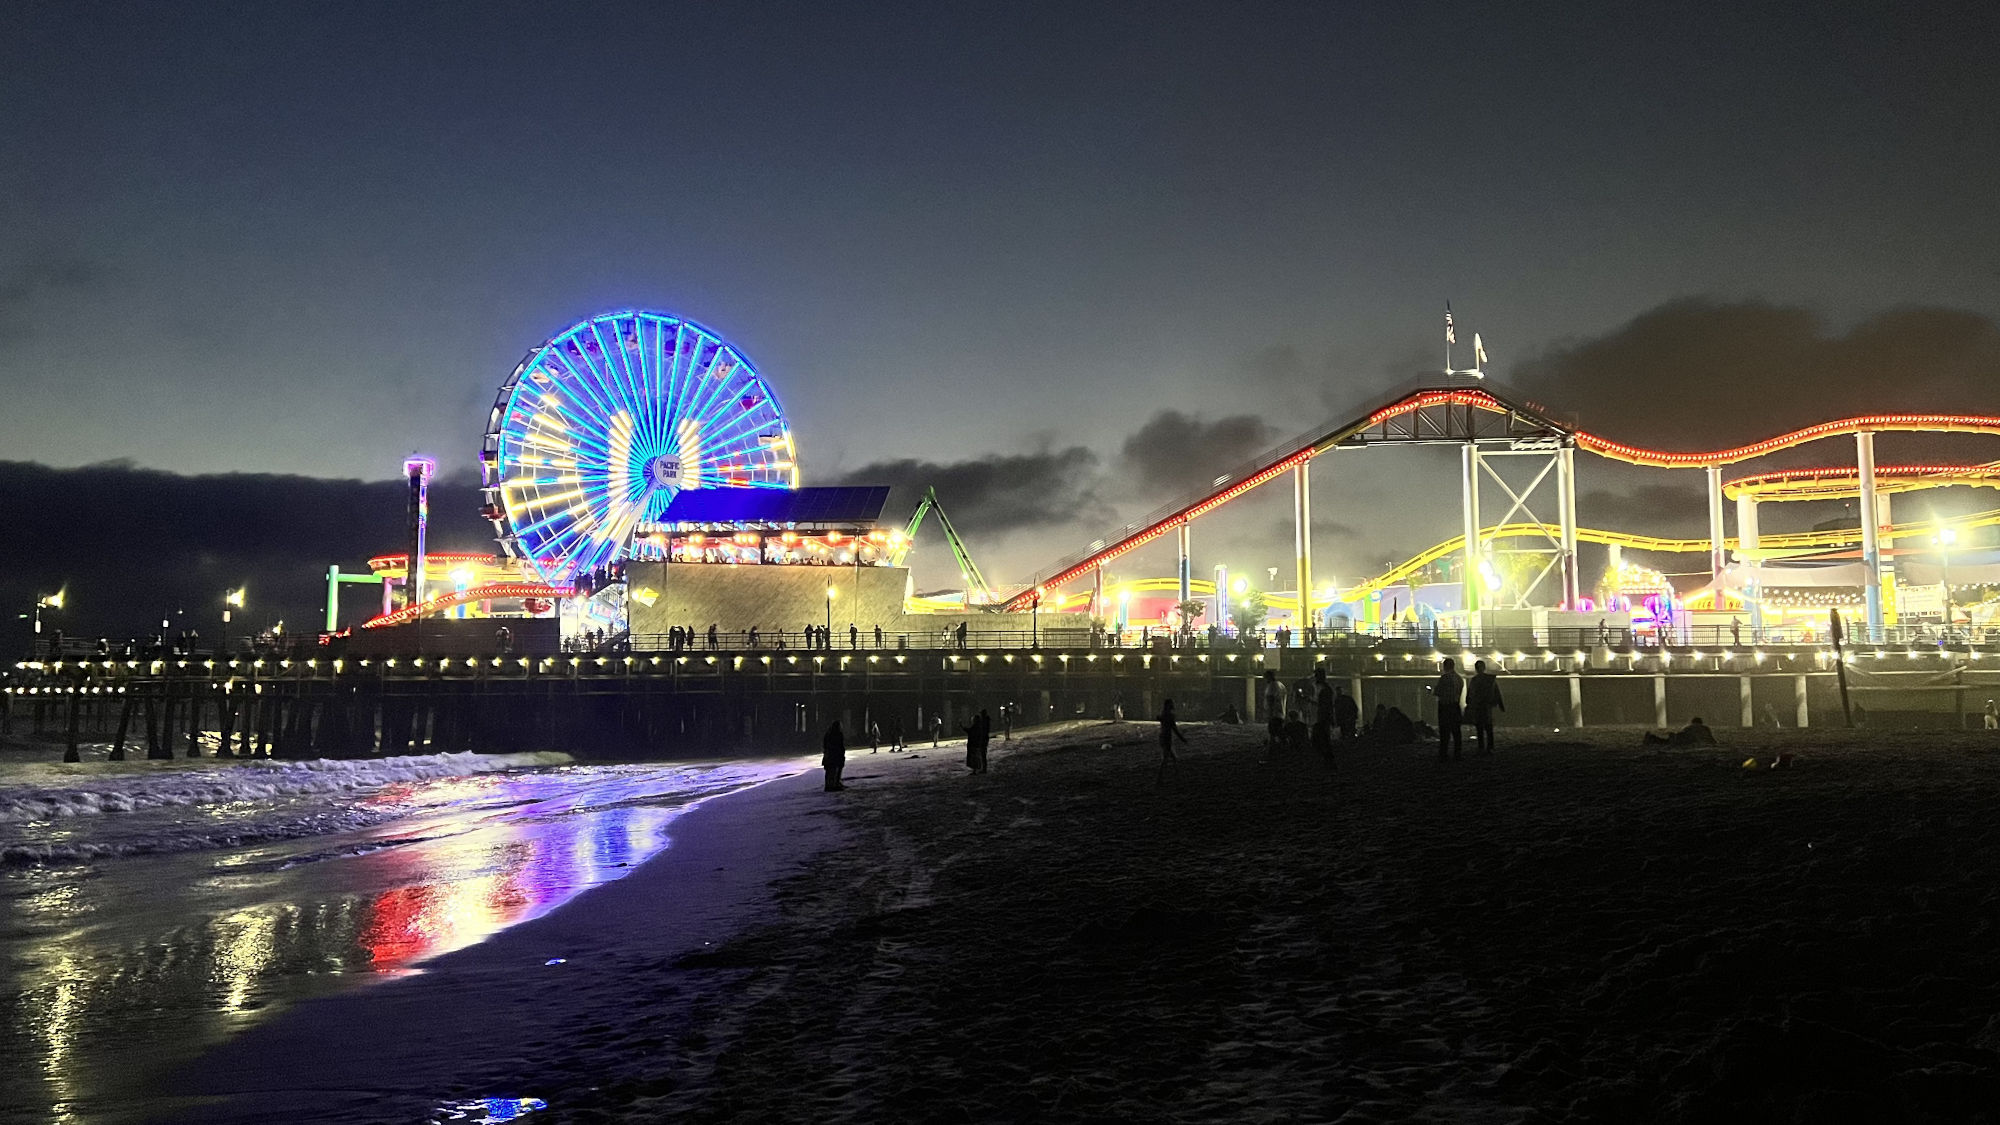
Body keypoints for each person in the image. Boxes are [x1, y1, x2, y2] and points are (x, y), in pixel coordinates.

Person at [1465, 660, 1505, 755]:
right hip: (1487, 706)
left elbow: (1470, 694)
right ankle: (1490, 747)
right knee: (1488, 727)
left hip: (1478, 706)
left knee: (1479, 727)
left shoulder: (1474, 680)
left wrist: (1469, 704)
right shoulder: (1490, 679)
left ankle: (1481, 747)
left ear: (1476, 668)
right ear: (1484, 667)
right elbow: (1497, 692)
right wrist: (1500, 705)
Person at [1433, 657, 1465, 762]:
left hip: (1445, 706)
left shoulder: (1444, 678)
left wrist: (1432, 691)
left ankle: (1443, 753)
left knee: (1444, 732)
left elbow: (1438, 692)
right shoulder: (1459, 679)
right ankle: (1457, 753)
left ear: (1445, 666)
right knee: (1456, 732)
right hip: (1455, 706)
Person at [1156, 698, 1190, 779]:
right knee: (1167, 759)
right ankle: (1161, 777)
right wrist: (1182, 738)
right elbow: (1174, 729)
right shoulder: (1170, 716)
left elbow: (1160, 719)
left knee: (1171, 758)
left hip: (1163, 737)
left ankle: (1176, 774)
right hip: (1167, 738)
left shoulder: (1163, 714)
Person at [1643, 717, 1716, 747]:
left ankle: (1652, 737)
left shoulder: (1688, 726)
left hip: (1682, 736)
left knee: (1666, 742)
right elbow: (1712, 739)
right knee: (1667, 743)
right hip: (1690, 740)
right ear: (1701, 723)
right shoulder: (1705, 728)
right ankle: (1652, 738)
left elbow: (1682, 732)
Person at [1261, 670, 1285, 751]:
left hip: (1274, 713)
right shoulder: (1281, 685)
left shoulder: (1272, 686)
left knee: (1274, 732)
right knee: (1278, 731)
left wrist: (1269, 714)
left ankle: (1274, 748)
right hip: (1280, 713)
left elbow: (1271, 699)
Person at [821, 721, 847, 791]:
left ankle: (830, 785)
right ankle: (834, 784)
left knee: (830, 771)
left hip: (830, 755)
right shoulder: (838, 734)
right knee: (834, 770)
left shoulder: (828, 734)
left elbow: (825, 744)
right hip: (835, 755)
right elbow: (840, 745)